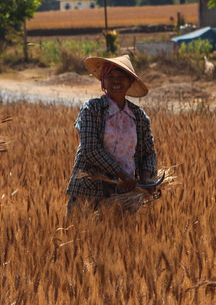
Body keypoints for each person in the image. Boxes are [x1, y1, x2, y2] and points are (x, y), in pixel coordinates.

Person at [65, 54, 157, 215]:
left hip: (125, 195)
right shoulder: (92, 109)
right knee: (81, 237)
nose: (116, 81)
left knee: (123, 238)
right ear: (103, 82)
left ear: (130, 82)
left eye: (121, 77)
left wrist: (147, 177)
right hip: (89, 193)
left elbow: (148, 152)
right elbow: (90, 150)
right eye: (110, 76)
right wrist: (122, 174)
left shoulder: (139, 116)